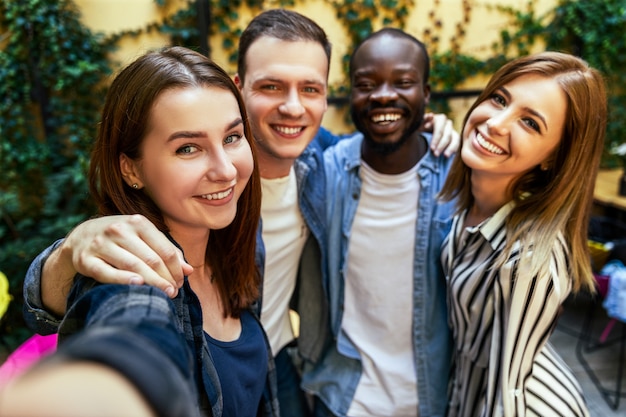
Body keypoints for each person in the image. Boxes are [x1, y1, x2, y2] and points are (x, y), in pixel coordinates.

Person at [21, 9, 459, 417]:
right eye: (271, 87)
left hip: (273, 360)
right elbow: (124, 324)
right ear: (239, 87)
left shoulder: (323, 162)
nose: (293, 107)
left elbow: (383, 142)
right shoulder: (145, 256)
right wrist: (66, 254)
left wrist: (422, 124)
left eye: (311, 89)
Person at [4, 46, 278, 417]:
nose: (226, 170)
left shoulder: (240, 237)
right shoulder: (131, 276)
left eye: (232, 137)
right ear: (130, 169)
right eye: (188, 148)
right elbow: (132, 339)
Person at [438, 51, 605, 416]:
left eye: (530, 123)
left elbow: (507, 393)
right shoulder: (475, 202)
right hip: (467, 391)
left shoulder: (529, 259)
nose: (496, 122)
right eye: (499, 98)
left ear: (553, 158)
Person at [302, 28, 455, 417]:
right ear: (350, 93)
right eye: (366, 84)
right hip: (344, 398)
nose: (383, 95)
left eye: (403, 82)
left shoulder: (461, 178)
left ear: (427, 93)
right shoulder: (326, 172)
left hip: (433, 398)